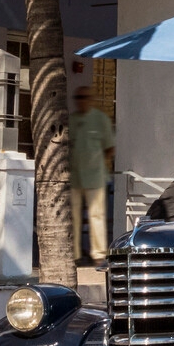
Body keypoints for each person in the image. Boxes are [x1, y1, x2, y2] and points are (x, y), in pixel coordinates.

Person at [69, 86, 115, 265]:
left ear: (90, 99)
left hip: (95, 176)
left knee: (97, 215)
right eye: (78, 97)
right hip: (73, 176)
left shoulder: (100, 119)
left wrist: (98, 163)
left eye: (84, 97)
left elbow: (110, 148)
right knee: (73, 216)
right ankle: (74, 254)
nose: (81, 100)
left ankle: (98, 254)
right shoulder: (71, 120)